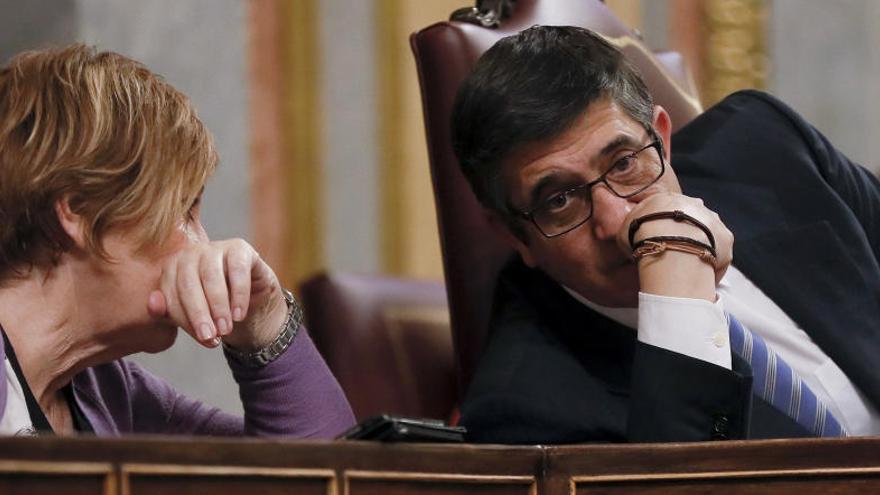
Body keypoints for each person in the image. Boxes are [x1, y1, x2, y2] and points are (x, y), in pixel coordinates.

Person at [451, 25, 880, 443]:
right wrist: (679, 307)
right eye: (560, 200)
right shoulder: (527, 414)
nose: (618, 220)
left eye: (623, 164)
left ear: (662, 138)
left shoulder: (765, 149)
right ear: (514, 235)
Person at [0, 44, 355, 436]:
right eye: (184, 210)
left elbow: (324, 473)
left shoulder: (109, 392)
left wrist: (266, 322)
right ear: (79, 213)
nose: (202, 245)